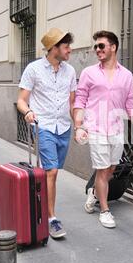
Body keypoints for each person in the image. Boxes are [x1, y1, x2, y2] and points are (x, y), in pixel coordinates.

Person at [73, 30, 133, 228]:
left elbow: (131, 103)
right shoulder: (89, 73)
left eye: (101, 46)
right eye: (96, 46)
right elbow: (80, 100)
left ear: (113, 47)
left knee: (111, 169)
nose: (97, 49)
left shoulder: (127, 75)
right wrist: (78, 126)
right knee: (103, 169)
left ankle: (94, 193)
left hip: (116, 129)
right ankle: (104, 210)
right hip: (94, 128)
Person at [17, 28, 77, 239]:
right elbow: (21, 100)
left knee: (54, 171)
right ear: (54, 49)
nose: (70, 49)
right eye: (66, 46)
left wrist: (79, 124)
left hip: (64, 127)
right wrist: (29, 112)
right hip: (43, 126)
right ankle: (52, 219)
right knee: (51, 171)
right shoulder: (33, 69)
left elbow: (72, 103)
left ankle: (45, 208)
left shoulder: (70, 71)